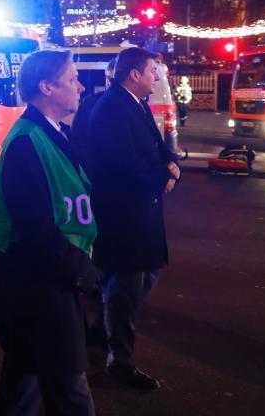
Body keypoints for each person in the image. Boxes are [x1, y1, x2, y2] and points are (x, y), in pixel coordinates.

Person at [0, 49, 101, 416]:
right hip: (39, 290)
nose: (81, 87)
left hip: (43, 286)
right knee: (69, 389)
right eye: (71, 79)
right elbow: (37, 232)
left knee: (24, 382)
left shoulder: (50, 133)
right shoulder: (26, 143)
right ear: (46, 88)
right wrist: (85, 272)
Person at [88, 47, 181, 391]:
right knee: (126, 285)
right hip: (123, 213)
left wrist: (172, 166)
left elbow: (158, 149)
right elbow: (122, 163)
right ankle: (120, 361)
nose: (157, 77)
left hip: (141, 209)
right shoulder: (112, 108)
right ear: (134, 75)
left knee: (146, 274)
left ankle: (103, 326)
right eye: (153, 71)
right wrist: (163, 175)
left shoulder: (134, 103)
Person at [70, 58, 116, 177]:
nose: (110, 83)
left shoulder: (136, 104)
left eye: (114, 79)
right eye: (108, 78)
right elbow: (79, 140)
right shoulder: (89, 103)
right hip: (97, 174)